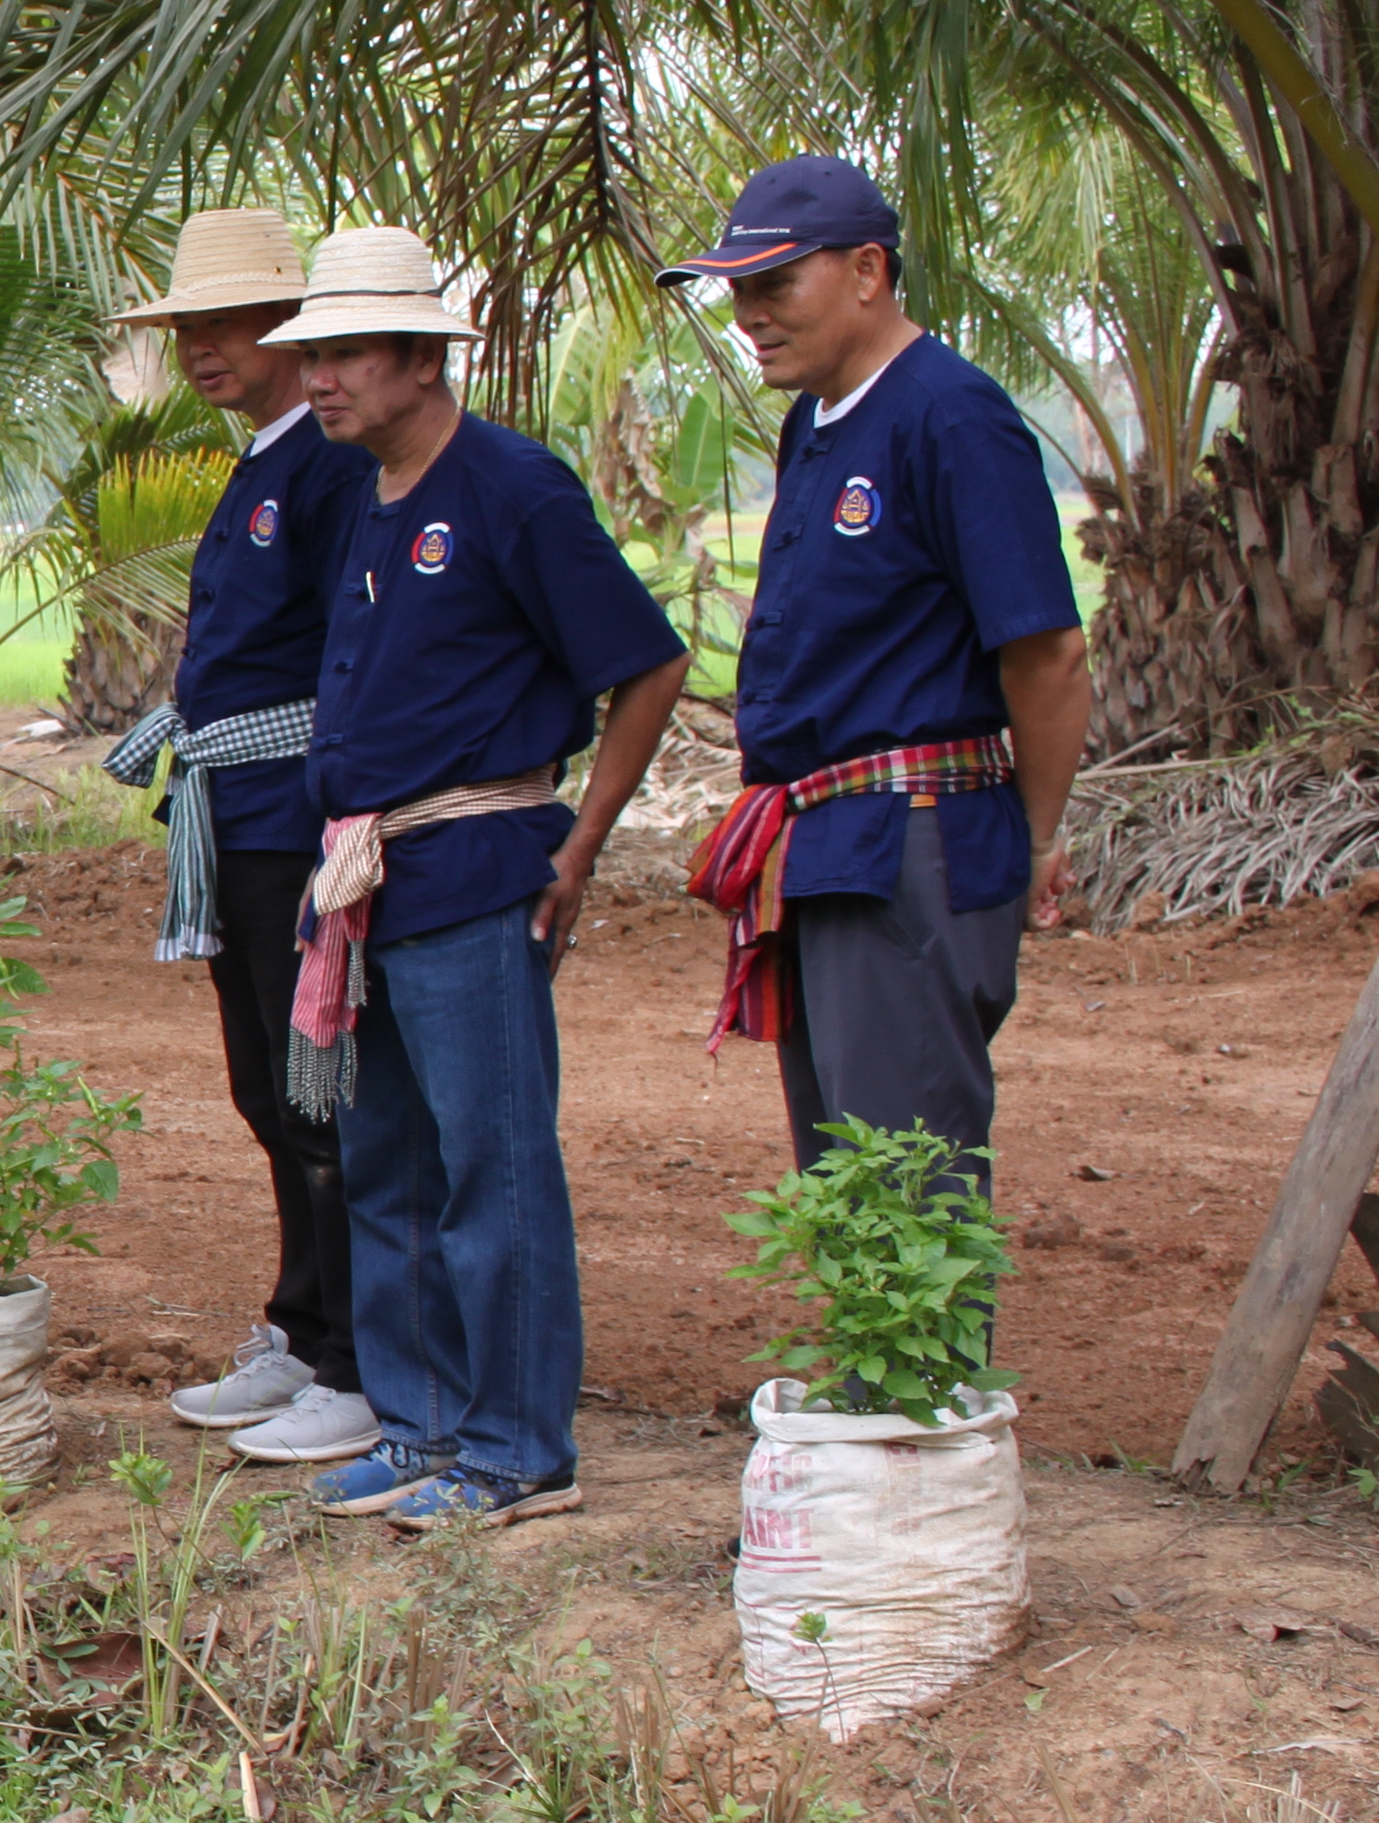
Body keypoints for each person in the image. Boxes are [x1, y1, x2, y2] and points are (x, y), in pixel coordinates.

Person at [274, 226, 689, 1534]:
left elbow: (649, 665)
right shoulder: (368, 501)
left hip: (472, 870)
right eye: (315, 356)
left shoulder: (513, 489)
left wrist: (580, 845)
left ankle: (518, 1449)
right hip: (371, 881)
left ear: (419, 359)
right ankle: (422, 1426)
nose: (321, 380)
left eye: (343, 354)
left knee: (489, 1167)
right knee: (385, 1160)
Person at [663, 153, 1092, 1188]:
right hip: (825, 842)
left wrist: (1036, 840)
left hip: (915, 838)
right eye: (737, 292)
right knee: (847, 1163)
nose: (749, 315)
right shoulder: (813, 423)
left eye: (775, 285)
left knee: (910, 1166)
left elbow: (1047, 650)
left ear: (867, 271)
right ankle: (872, 1362)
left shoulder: (949, 413)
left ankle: (925, 1364)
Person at [103, 208, 383, 1464]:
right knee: (270, 1089)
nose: (205, 349)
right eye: (190, 328)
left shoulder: (326, 467)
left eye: (228, 322)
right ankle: (303, 1320)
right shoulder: (261, 463)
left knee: (320, 1088)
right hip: (236, 812)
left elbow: (344, 651)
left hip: (294, 813)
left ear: (293, 326)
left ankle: (356, 1356)